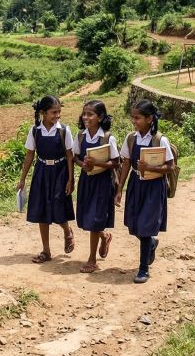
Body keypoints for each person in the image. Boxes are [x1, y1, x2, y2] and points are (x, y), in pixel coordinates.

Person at [115, 100, 175, 284]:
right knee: (134, 225)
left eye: (138, 118)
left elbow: (171, 166)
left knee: (145, 226)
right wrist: (120, 189)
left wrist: (150, 167)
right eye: (133, 117)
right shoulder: (131, 138)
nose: (134, 121)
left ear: (149, 119)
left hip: (153, 187)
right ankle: (151, 243)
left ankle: (143, 269)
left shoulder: (159, 139)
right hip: (136, 184)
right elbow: (125, 163)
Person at [17, 95, 76, 264]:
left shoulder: (64, 130)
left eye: (59, 112)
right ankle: (46, 250)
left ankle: (67, 231)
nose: (57, 116)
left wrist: (70, 180)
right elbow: (29, 156)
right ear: (42, 113)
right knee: (42, 210)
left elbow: (70, 156)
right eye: (53, 112)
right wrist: (22, 179)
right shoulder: (35, 131)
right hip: (41, 172)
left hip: (60, 172)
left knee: (58, 205)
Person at [74, 100, 120, 273]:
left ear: (100, 117)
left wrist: (98, 163)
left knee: (94, 219)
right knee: (88, 218)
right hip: (87, 181)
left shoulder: (108, 137)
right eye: (84, 114)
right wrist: (83, 165)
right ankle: (105, 236)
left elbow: (115, 162)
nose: (86, 117)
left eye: (90, 114)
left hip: (102, 183)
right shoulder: (80, 136)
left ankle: (92, 260)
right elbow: (76, 157)